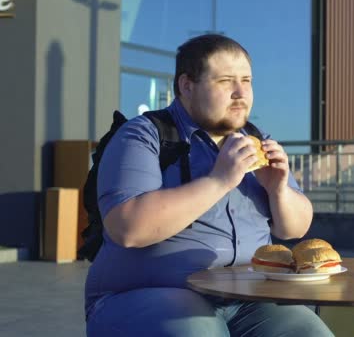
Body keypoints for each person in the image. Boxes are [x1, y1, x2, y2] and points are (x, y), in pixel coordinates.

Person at [85, 34, 334, 337]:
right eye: (225, 81)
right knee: (202, 331)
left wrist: (278, 189)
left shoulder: (257, 139)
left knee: (311, 333)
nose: (240, 93)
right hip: (149, 293)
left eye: (247, 80)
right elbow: (128, 228)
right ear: (186, 85)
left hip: (246, 299)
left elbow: (295, 229)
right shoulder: (144, 136)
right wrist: (219, 181)